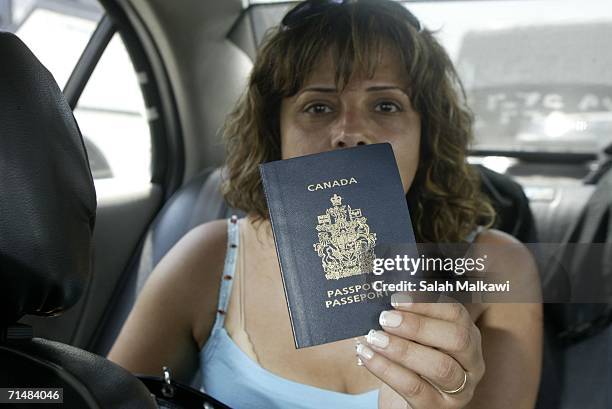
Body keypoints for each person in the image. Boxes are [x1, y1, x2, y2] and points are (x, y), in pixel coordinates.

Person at [108, 1, 543, 408]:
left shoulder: (496, 268)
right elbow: (104, 396)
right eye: (318, 106)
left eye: (386, 104)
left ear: (426, 134)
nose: (349, 132)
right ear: (274, 132)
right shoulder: (208, 258)